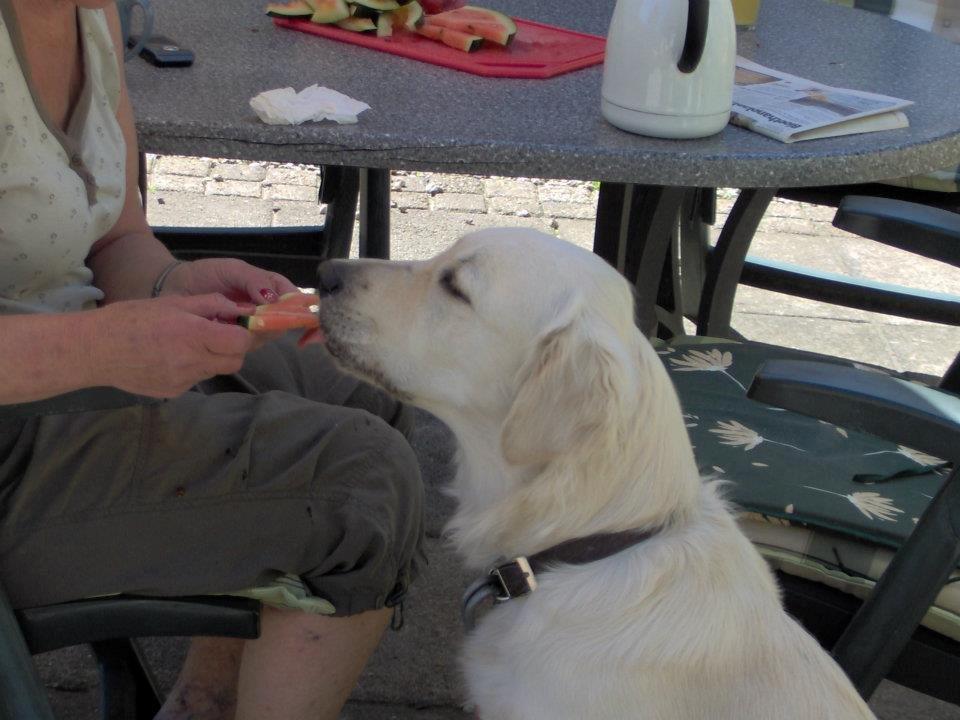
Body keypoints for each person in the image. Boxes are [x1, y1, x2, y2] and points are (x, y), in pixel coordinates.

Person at [0, 1, 425, 718]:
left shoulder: (89, 12)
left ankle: (205, 699)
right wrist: (101, 348)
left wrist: (172, 284)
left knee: (356, 376)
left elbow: (114, 235)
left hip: (70, 369)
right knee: (363, 483)